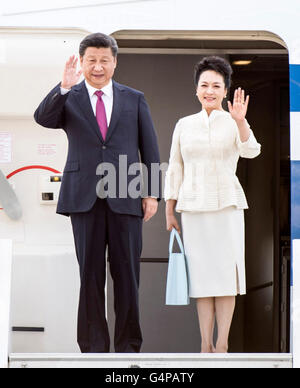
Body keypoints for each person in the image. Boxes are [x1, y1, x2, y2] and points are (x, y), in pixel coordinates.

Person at [34, 33, 161, 353]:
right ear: (81, 62)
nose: (98, 67)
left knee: (127, 277)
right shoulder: (70, 97)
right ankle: (92, 349)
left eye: (105, 60)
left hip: (126, 194)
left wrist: (153, 194)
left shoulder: (135, 98)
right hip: (83, 198)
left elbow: (151, 149)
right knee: (89, 277)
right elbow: (43, 118)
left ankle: (129, 346)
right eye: (92, 60)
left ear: (115, 62)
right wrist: (63, 86)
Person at [164, 56, 261, 353]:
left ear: (225, 90)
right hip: (193, 208)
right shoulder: (184, 124)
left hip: (227, 207)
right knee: (203, 280)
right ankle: (204, 345)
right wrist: (169, 208)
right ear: (196, 89)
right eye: (204, 85)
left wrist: (241, 121)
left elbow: (252, 150)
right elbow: (175, 167)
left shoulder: (234, 122)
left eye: (216, 85)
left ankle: (222, 344)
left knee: (225, 278)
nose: (210, 90)